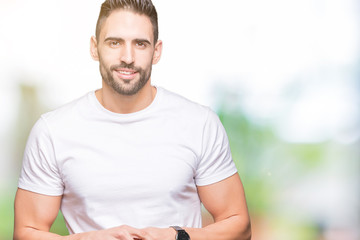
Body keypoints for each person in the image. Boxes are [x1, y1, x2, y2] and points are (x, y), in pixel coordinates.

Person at [13, 0, 251, 239]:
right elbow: (26, 233)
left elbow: (239, 226)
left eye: (140, 43)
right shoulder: (53, 131)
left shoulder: (200, 124)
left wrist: (175, 236)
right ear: (94, 48)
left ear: (156, 51)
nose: (127, 57)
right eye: (115, 42)